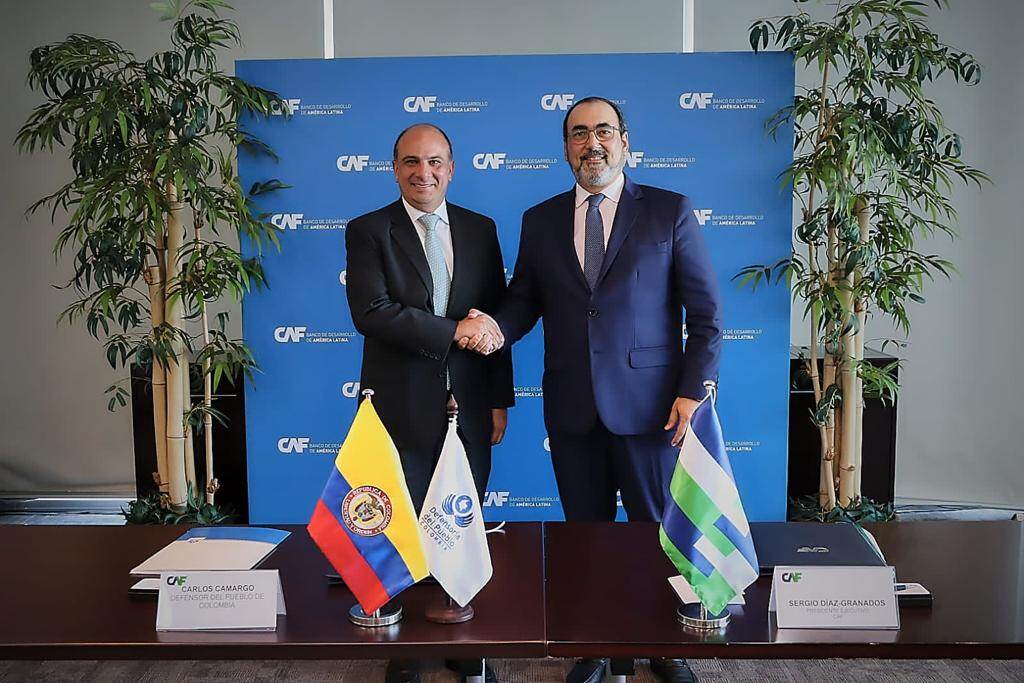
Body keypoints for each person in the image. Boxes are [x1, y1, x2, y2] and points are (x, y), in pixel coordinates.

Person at [465, 97, 721, 683]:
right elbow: (524, 299)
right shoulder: (541, 220)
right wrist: (494, 327)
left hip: (653, 410)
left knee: (658, 534)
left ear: (625, 141)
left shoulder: (669, 211)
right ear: (566, 148)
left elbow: (706, 315)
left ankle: (663, 646)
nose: (592, 144)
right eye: (579, 134)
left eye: (603, 131)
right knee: (585, 535)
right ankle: (596, 645)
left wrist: (693, 391)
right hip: (573, 409)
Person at [345, 123, 511, 683]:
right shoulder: (369, 230)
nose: (424, 172)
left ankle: (465, 649)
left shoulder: (481, 229)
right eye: (412, 162)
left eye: (435, 161)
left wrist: (500, 399)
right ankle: (409, 652)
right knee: (405, 525)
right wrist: (452, 332)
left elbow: (493, 322)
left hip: (471, 403)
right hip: (399, 405)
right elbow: (371, 311)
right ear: (395, 169)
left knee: (460, 519)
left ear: (451, 168)